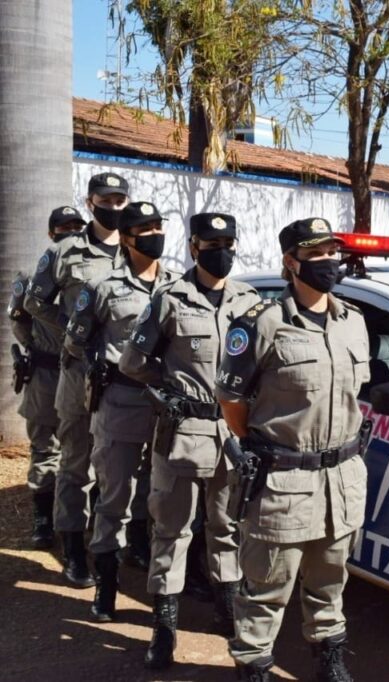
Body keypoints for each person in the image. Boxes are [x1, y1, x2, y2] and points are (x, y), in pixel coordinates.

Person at [215, 217, 370, 682]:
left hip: (341, 479)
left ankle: (329, 658)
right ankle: (254, 665)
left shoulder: (354, 323)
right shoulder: (264, 324)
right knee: (267, 589)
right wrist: (267, 447)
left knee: (330, 583)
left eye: (331, 252)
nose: (328, 262)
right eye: (316, 254)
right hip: (284, 483)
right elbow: (231, 401)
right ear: (292, 261)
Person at [119, 212, 261, 669]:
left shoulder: (251, 301)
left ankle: (228, 613)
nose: (222, 249)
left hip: (234, 434)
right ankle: (163, 631)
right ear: (195, 247)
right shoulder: (169, 299)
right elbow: (132, 360)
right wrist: (172, 391)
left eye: (229, 241)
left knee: (227, 530)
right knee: (172, 532)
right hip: (183, 434)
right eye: (212, 242)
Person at [64, 200, 177, 622]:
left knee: (163, 494)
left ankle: (154, 573)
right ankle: (106, 586)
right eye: (144, 229)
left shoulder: (177, 285)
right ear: (127, 238)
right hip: (121, 402)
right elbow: (76, 340)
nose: (154, 234)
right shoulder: (103, 287)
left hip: (166, 405)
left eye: (157, 226)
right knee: (115, 497)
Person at [25, 172, 129, 587]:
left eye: (120, 199)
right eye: (107, 199)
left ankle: (117, 546)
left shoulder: (138, 249)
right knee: (75, 465)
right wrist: (73, 329)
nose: (114, 206)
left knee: (123, 467)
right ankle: (73, 552)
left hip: (124, 380)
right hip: (80, 375)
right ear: (91, 203)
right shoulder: (66, 251)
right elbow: (35, 300)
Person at [7, 206, 86, 548]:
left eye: (76, 227)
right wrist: (36, 347)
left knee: (82, 448)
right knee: (45, 447)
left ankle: (78, 517)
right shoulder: (30, 274)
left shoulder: (88, 276)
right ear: (51, 233)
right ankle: (42, 517)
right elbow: (18, 318)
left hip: (79, 372)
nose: (70, 231)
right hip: (44, 373)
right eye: (63, 227)